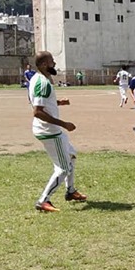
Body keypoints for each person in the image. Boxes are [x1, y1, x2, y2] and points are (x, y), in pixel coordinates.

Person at [29, 51, 87, 212]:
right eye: (51, 62)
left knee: (71, 155)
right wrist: (64, 124)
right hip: (49, 131)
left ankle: (70, 191)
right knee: (63, 168)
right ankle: (43, 200)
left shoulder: (39, 78)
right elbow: (37, 111)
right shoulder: (43, 82)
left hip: (50, 130)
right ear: (42, 65)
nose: (54, 64)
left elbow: (40, 102)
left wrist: (58, 102)